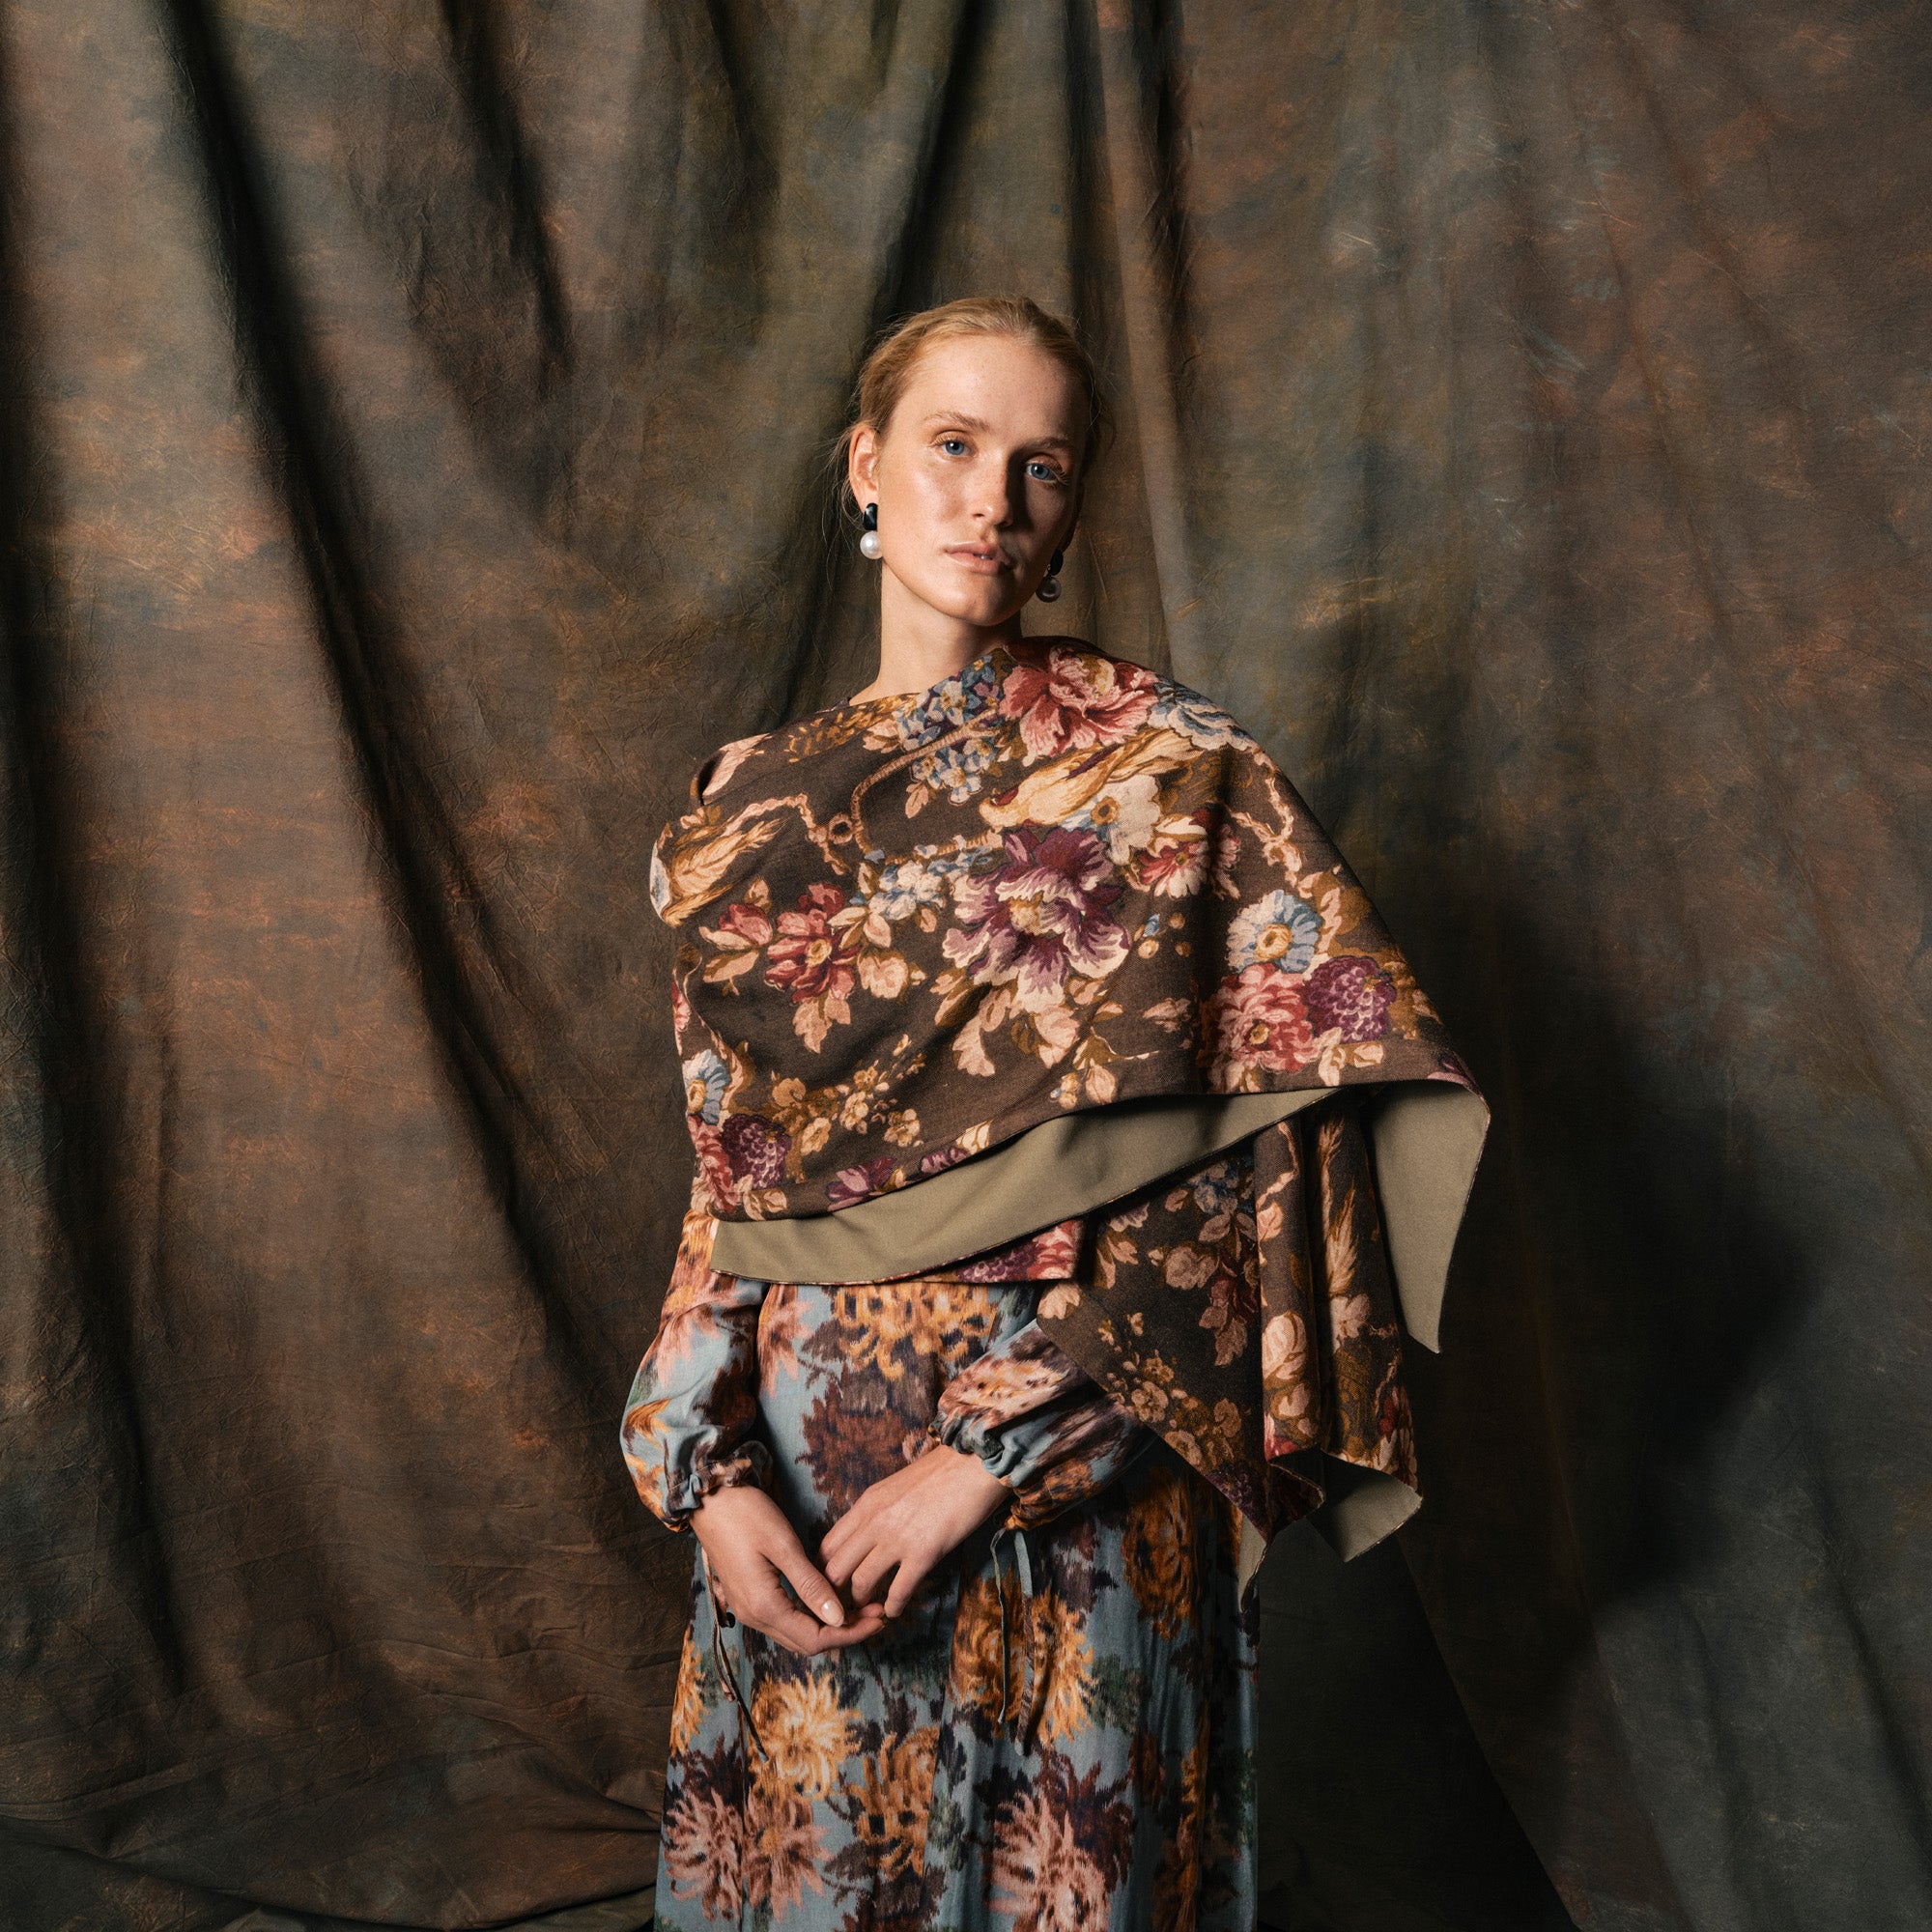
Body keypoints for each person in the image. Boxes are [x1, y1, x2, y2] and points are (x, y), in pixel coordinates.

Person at [622, 296, 1489, 1931]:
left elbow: (1263, 1163)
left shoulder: (1175, 775)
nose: (992, 503)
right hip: (799, 1461)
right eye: (952, 447)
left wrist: (991, 1456)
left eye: (1041, 465)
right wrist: (705, 1468)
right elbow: (729, 1173)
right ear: (866, 466)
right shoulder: (745, 803)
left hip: (1076, 1457)